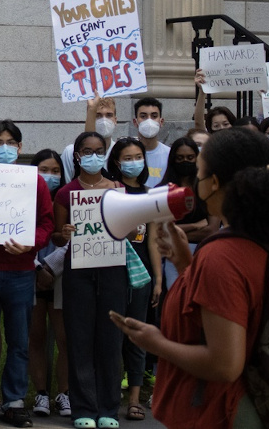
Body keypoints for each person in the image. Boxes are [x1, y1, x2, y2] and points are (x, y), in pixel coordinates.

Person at [113, 162, 269, 429]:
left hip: (223, 411)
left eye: (202, 173)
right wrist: (184, 264)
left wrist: (156, 344)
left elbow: (225, 365)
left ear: (217, 186)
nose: (196, 182)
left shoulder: (222, 257)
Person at [0, 122, 54, 429]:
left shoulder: (36, 183)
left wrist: (33, 243)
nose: (5, 147)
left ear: (19, 147)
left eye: (11, 142)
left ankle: (15, 401)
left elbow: (46, 223)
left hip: (21, 273)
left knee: (20, 340)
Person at [52, 131, 124, 429]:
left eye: (99, 150)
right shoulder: (66, 193)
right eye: (87, 150)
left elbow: (130, 231)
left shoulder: (118, 189)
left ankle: (108, 407)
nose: (93, 155)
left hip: (113, 270)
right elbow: (56, 237)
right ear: (77, 155)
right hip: (78, 271)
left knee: (111, 339)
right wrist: (64, 233)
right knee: (79, 339)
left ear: (105, 153)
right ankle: (83, 407)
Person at [105, 137, 162, 422]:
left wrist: (158, 279)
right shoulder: (110, 191)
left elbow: (152, 241)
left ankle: (135, 399)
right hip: (111, 272)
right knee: (112, 337)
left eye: (137, 156)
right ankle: (110, 398)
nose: (133, 162)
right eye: (127, 157)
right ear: (116, 162)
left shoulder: (149, 194)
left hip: (141, 277)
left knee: (137, 337)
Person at [28, 149, 70, 419]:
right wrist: (36, 268)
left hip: (61, 275)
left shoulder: (67, 201)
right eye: (44, 169)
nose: (50, 175)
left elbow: (74, 241)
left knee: (64, 338)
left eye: (56, 171)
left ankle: (64, 393)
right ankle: (41, 393)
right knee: (36, 336)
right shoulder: (23, 200)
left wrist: (51, 268)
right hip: (29, 274)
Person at [156, 137, 215, 288]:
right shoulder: (162, 190)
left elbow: (211, 230)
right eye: (180, 158)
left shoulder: (207, 187)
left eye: (190, 158)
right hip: (172, 256)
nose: (185, 162)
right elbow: (160, 231)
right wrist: (196, 225)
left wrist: (175, 233)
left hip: (204, 253)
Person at [62, 94, 117, 181]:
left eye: (109, 115)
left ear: (115, 120)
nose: (104, 121)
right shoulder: (70, 152)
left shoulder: (119, 151)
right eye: (97, 115)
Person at [132, 97, 170, 187]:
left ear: (161, 122)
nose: (149, 121)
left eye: (154, 116)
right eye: (143, 116)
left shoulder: (170, 154)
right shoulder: (127, 154)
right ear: (135, 122)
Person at [191, 69, 236, 134]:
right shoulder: (209, 141)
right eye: (216, 126)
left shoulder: (239, 142)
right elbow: (198, 123)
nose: (222, 128)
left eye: (225, 124)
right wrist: (202, 92)